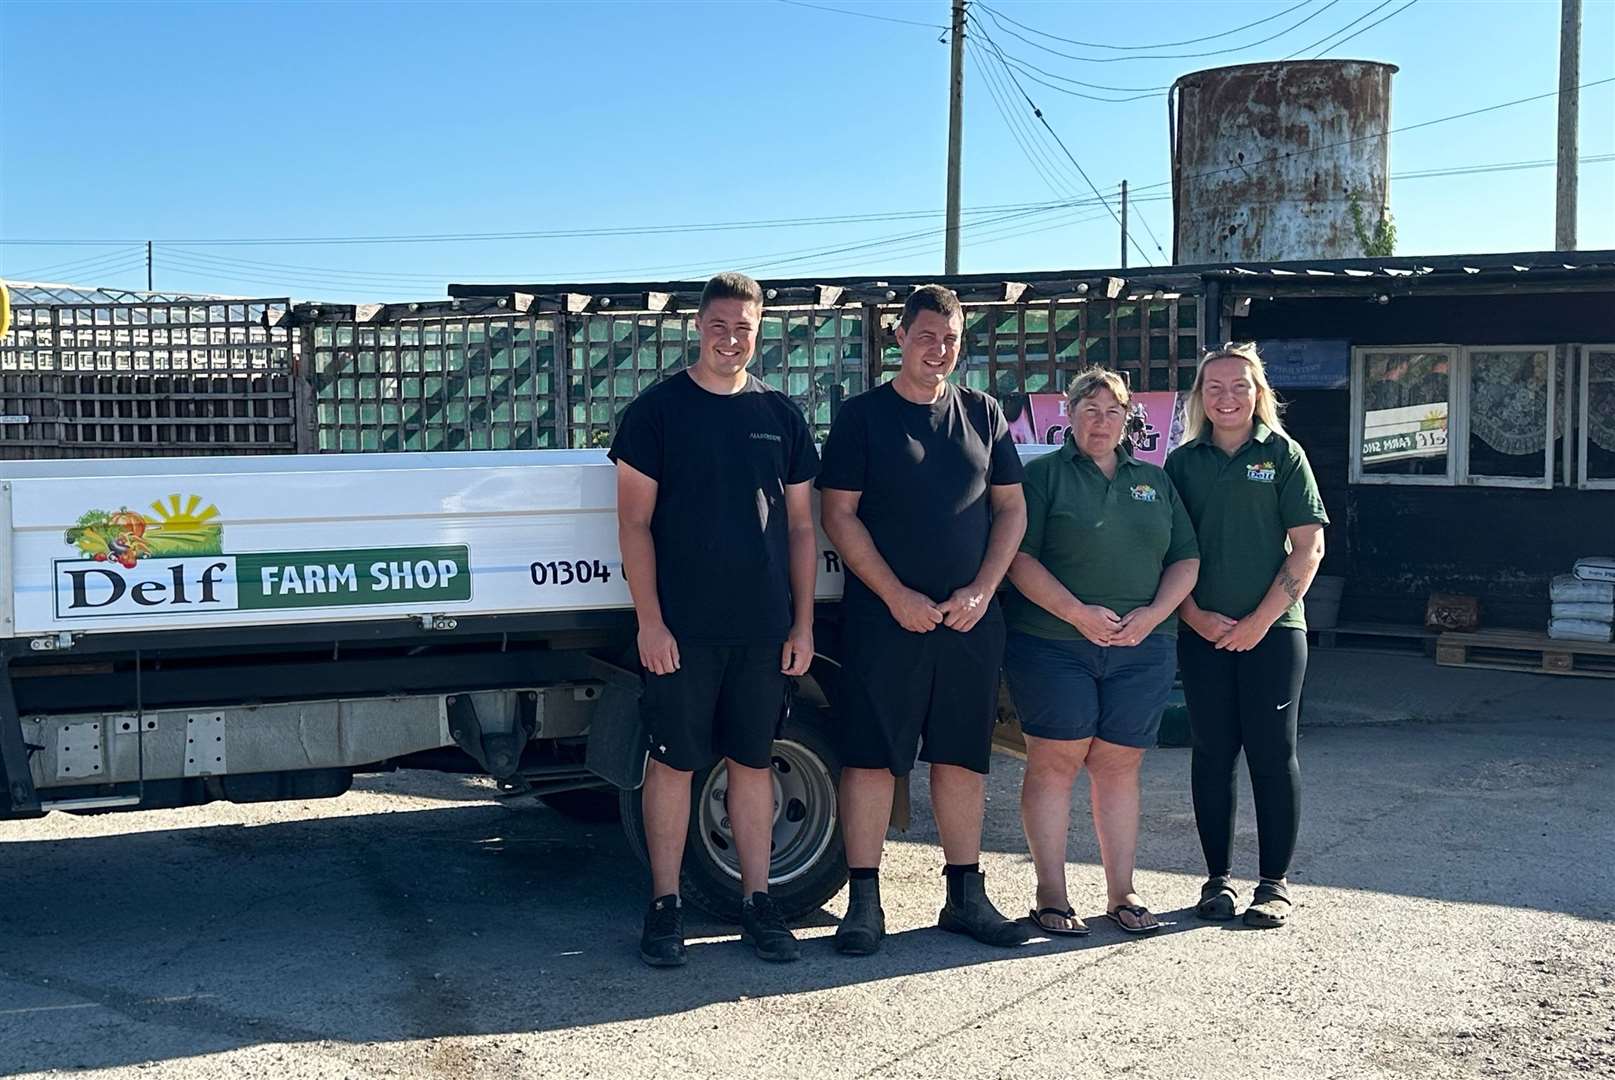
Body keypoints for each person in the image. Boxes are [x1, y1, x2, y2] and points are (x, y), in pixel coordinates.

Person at [610, 271, 819, 967]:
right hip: (682, 630)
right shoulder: (656, 413)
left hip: (761, 629)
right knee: (672, 765)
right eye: (719, 326)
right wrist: (650, 622)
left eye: (745, 328)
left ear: (760, 333)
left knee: (752, 765)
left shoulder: (781, 417)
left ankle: (758, 905)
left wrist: (802, 625)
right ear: (698, 328)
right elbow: (634, 524)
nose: (731, 340)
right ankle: (664, 906)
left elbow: (798, 529)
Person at [817, 284, 1030, 955]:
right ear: (900, 338)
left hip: (969, 620)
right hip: (886, 621)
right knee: (873, 760)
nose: (938, 350)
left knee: (961, 759)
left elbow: (1011, 511)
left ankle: (964, 896)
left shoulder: (984, 414)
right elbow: (838, 515)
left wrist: (982, 590)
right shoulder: (862, 418)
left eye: (950, 339)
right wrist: (892, 595)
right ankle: (864, 902)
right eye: (926, 336)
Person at [1003, 368, 1199, 936]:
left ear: (1128, 418)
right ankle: (1051, 895)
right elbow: (1018, 559)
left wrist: (1153, 615)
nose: (1101, 421)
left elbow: (1185, 559)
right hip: (1054, 644)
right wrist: (1076, 613)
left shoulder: (1155, 481)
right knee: (1056, 762)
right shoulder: (1041, 477)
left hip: (1142, 647)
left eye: (1112, 411)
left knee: (1118, 766)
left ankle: (1122, 890)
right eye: (1089, 409)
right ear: (1068, 413)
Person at [1163, 342, 1328, 930]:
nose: (1227, 397)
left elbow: (1309, 547)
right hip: (1202, 630)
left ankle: (1273, 885)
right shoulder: (1182, 463)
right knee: (1211, 753)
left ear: (1259, 393)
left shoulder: (1283, 455)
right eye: (1215, 387)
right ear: (1200, 398)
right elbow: (1167, 551)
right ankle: (1217, 881)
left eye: (1240, 386)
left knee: (1272, 752)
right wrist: (1196, 617)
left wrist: (1259, 621)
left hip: (1275, 633)